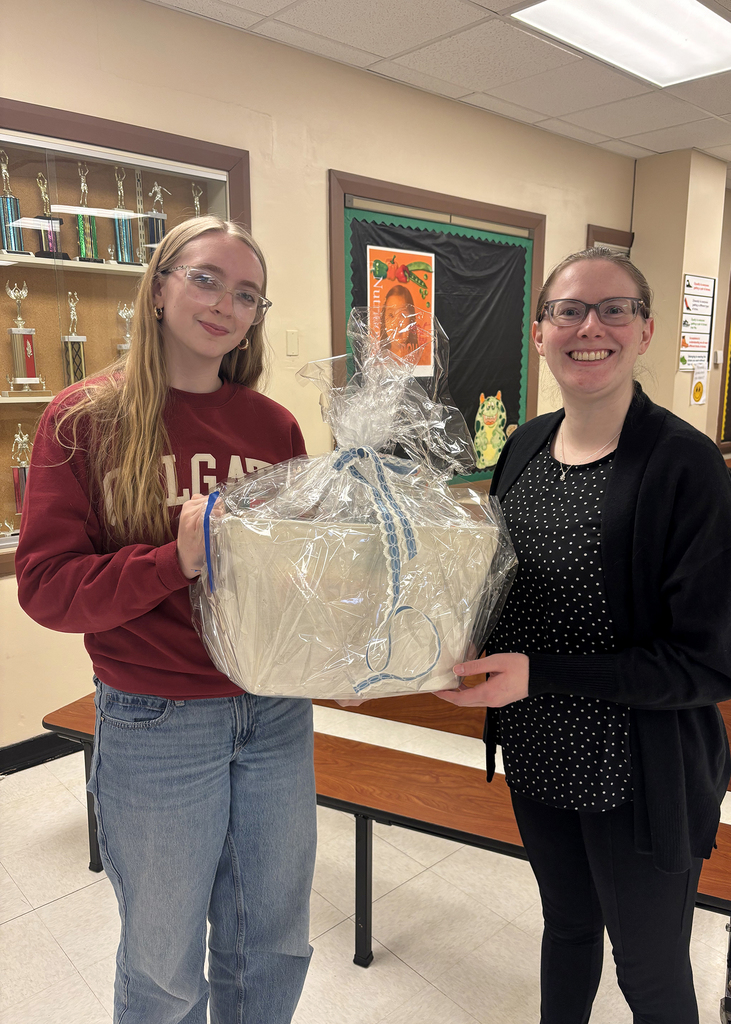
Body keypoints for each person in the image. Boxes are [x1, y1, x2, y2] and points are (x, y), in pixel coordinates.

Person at [15, 216, 316, 1024]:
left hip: (275, 712)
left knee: (274, 943)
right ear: (159, 286)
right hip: (157, 720)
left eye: (245, 294)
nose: (223, 303)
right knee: (164, 968)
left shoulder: (273, 427)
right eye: (205, 278)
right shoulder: (85, 420)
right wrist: (171, 560)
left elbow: (281, 584)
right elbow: (46, 587)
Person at [436, 247, 731, 1023]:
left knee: (649, 971)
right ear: (540, 333)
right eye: (567, 310)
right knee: (566, 929)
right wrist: (447, 643)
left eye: (613, 309)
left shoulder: (684, 465)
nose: (588, 326)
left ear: (646, 331)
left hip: (638, 773)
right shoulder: (523, 447)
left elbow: (707, 664)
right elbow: (507, 588)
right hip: (539, 752)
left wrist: (542, 675)